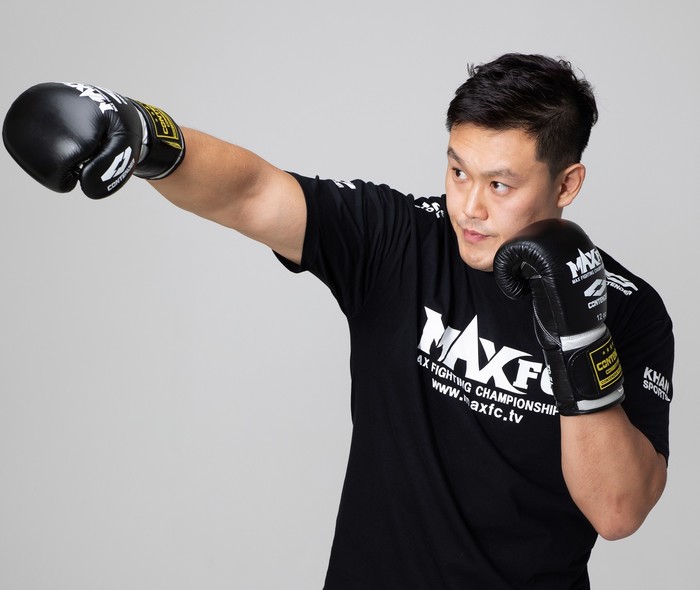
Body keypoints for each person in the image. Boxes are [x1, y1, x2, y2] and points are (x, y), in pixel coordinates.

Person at [3, 53, 674, 589]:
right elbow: (253, 192)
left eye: (499, 185)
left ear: (567, 184)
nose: (469, 206)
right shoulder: (399, 238)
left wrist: (578, 336)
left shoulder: (630, 308)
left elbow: (618, 511)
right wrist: (145, 131)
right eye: (457, 170)